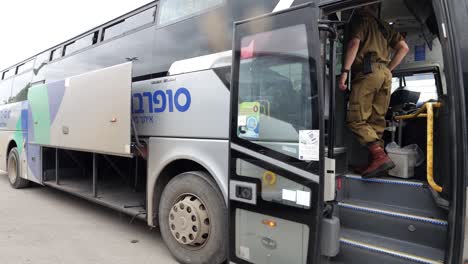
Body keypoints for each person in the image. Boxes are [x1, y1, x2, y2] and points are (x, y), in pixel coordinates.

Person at [339, 4, 409, 178]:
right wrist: (388, 70)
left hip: (368, 72)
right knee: (376, 120)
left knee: (356, 119)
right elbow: (404, 48)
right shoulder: (384, 26)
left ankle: (379, 156)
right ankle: (374, 162)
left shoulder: (360, 20)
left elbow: (354, 43)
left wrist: (345, 72)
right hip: (385, 74)